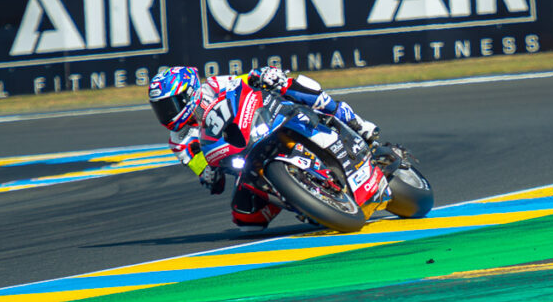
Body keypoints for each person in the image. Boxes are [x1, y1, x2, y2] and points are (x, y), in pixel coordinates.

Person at [148, 65, 379, 231]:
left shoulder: (214, 86)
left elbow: (246, 80)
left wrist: (263, 74)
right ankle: (306, 203)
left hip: (265, 121)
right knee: (246, 217)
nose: (167, 114)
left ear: (188, 92)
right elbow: (206, 174)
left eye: (170, 105)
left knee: (291, 84)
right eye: (161, 108)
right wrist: (207, 174)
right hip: (244, 160)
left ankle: (355, 121)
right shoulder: (179, 141)